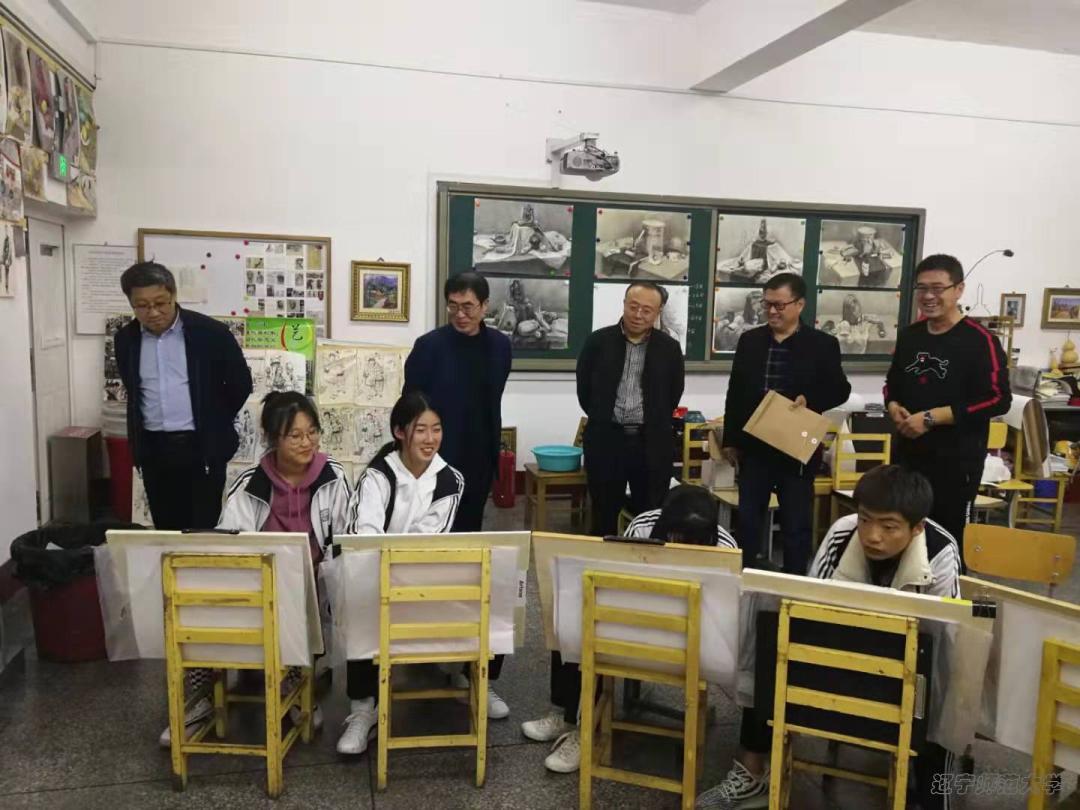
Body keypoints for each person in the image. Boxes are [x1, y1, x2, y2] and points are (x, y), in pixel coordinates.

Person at [695, 465, 960, 810]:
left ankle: (932, 799)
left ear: (917, 527)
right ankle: (752, 772)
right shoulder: (842, 533)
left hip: (905, 670)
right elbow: (807, 604)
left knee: (943, 688)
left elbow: (944, 637)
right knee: (771, 639)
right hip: (839, 648)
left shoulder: (940, 552)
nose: (872, 536)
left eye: (889, 526)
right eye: (865, 519)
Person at [160, 392, 353, 747]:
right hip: (257, 588)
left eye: (312, 432)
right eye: (295, 435)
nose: (307, 442)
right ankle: (198, 699)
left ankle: (295, 687)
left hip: (311, 589)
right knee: (195, 604)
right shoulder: (251, 484)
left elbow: (345, 542)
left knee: (298, 601)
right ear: (272, 438)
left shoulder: (333, 478)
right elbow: (227, 546)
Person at [523, 484, 736, 774]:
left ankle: (584, 726)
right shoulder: (643, 526)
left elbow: (724, 619)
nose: (683, 544)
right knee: (571, 614)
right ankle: (571, 717)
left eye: (694, 541)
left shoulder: (727, 548)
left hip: (694, 642)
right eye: (676, 537)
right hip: (637, 622)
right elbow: (619, 586)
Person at [340, 392, 494, 756]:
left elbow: (428, 539)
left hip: (422, 574)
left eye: (436, 429)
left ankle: (472, 677)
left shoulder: (450, 479)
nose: (430, 438)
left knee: (496, 585)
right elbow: (365, 536)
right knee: (360, 600)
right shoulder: (377, 476)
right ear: (399, 432)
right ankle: (363, 709)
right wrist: (389, 567)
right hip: (375, 576)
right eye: (420, 429)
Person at [884, 254, 1011, 561]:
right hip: (908, 458)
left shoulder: (980, 341)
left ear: (959, 289)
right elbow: (892, 383)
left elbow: (998, 398)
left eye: (938, 288)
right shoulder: (910, 336)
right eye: (922, 288)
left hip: (956, 464)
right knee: (900, 537)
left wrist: (932, 418)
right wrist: (893, 406)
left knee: (945, 543)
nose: (928, 296)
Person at [722, 273, 851, 573]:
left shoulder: (822, 344)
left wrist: (811, 398)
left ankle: (794, 583)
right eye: (766, 304)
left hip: (797, 446)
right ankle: (745, 579)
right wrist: (730, 440)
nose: (771, 311)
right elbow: (735, 392)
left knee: (796, 524)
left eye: (779, 305)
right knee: (748, 521)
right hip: (755, 445)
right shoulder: (750, 341)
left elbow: (840, 389)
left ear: (799, 304)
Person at [115, 262, 252, 530]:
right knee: (165, 528)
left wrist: (214, 420)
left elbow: (240, 384)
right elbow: (134, 390)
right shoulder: (126, 339)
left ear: (173, 295)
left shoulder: (210, 333)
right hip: (154, 449)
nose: (153, 312)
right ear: (131, 303)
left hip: (201, 448)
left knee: (202, 528)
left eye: (160, 303)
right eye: (142, 305)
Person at [403, 272, 511, 533]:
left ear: (484, 306)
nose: (459, 314)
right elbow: (409, 406)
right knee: (432, 529)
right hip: (436, 454)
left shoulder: (500, 346)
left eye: (467, 307)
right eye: (453, 306)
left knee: (470, 528)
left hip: (480, 455)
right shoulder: (429, 347)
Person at [576, 281, 685, 537]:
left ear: (658, 312)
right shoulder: (597, 342)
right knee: (603, 514)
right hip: (606, 440)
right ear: (624, 304)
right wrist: (603, 416)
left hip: (651, 443)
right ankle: (603, 560)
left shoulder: (669, 348)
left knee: (649, 517)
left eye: (647, 310)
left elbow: (673, 394)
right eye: (633, 306)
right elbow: (585, 391)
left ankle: (643, 562)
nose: (638, 315)